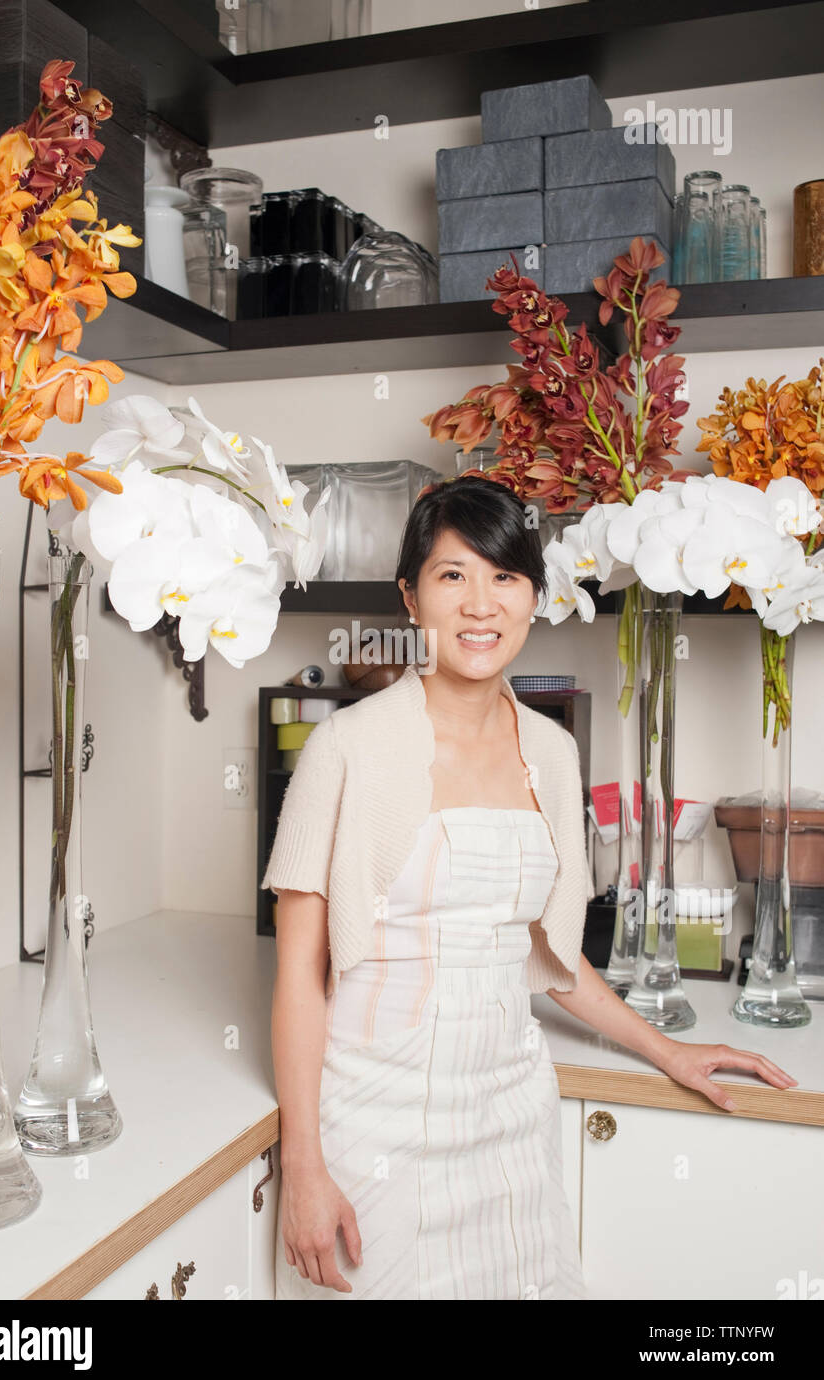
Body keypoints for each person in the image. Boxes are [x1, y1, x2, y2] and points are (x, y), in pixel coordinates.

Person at [262, 474, 797, 1301]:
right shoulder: (344, 749)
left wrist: (668, 1052)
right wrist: (303, 1167)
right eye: (452, 576)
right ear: (411, 599)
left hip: (511, 1115)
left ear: (534, 598)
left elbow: (545, 954)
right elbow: (299, 971)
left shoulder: (550, 752)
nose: (480, 604)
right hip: (374, 1122)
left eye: (504, 577)